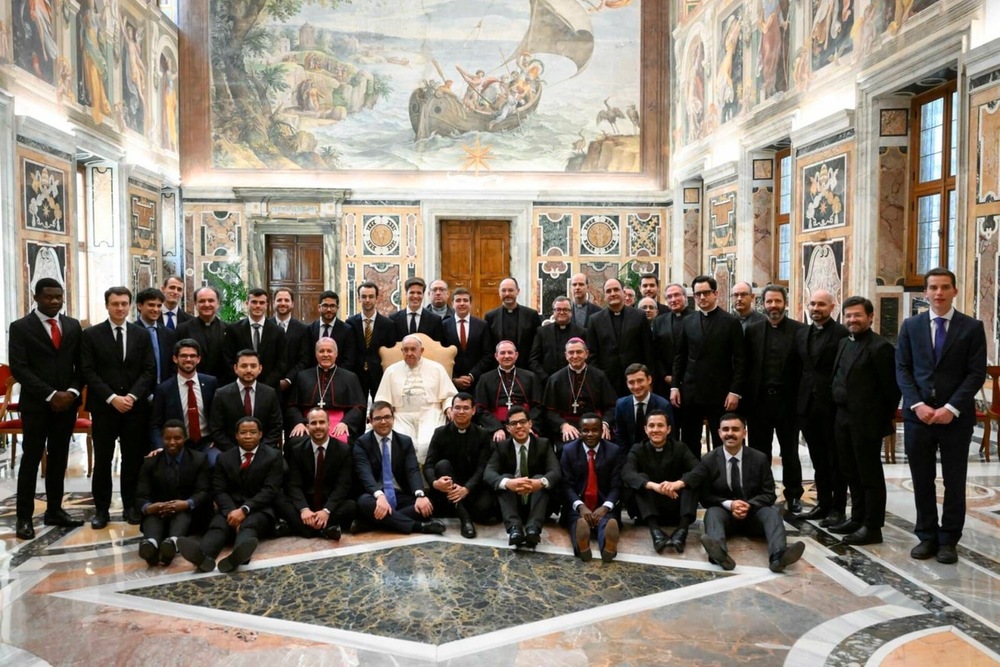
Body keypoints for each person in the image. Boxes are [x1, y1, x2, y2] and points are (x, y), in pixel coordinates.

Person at [896, 268, 986, 564]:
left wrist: (951, 408)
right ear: (925, 292)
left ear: (954, 291)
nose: (938, 293)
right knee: (922, 479)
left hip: (955, 419)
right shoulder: (911, 326)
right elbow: (903, 369)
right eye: (933, 287)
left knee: (954, 481)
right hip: (918, 417)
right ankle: (926, 536)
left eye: (945, 287)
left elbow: (975, 373)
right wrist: (916, 405)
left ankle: (949, 540)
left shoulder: (972, 327)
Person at [674, 413, 806, 572]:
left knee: (772, 514)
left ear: (744, 433)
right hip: (725, 515)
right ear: (719, 433)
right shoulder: (709, 459)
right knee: (712, 513)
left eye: (735, 429)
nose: (730, 433)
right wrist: (730, 505)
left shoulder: (759, 458)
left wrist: (747, 505)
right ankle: (720, 554)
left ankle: (778, 556)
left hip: (754, 514)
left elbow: (769, 493)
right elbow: (706, 497)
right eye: (726, 429)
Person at [9, 278, 85, 540]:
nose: (54, 301)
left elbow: (81, 365)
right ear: (36, 297)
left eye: (58, 297)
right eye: (49, 297)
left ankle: (55, 510)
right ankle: (24, 518)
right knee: (31, 460)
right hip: (36, 406)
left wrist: (72, 393)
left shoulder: (72, 326)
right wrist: (51, 394)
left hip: (66, 405)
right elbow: (19, 367)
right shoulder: (20, 327)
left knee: (59, 459)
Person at [81, 286, 156, 528]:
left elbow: (148, 370)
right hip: (105, 408)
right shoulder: (92, 335)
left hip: (134, 408)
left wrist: (132, 396)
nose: (120, 308)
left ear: (130, 305)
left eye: (124, 303)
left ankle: (130, 506)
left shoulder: (141, 334)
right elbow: (88, 371)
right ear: (107, 305)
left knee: (132, 460)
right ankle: (101, 510)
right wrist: (112, 398)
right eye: (115, 304)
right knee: (103, 460)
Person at [828, 296, 900, 545]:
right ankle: (857, 517)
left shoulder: (881, 348)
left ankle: (873, 526)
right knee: (850, 471)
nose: (852, 320)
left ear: (870, 317)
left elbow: (892, 391)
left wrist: (878, 418)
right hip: (842, 418)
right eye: (848, 315)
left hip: (866, 422)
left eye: (857, 315)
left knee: (869, 475)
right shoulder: (843, 343)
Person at [177, 417, 284, 573]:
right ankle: (202, 557)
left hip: (259, 509)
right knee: (218, 526)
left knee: (249, 525)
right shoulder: (224, 458)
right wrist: (231, 512)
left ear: (260, 434)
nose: (248, 436)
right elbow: (219, 490)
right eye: (243, 432)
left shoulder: (273, 456)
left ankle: (237, 557)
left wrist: (244, 510)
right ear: (236, 435)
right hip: (230, 508)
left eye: (253, 432)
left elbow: (270, 490)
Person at [743, 284, 806, 514]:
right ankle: (762, 493)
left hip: (787, 403)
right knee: (759, 453)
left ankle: (794, 495)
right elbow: (747, 367)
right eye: (769, 302)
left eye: (777, 301)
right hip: (759, 402)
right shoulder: (753, 331)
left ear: (785, 303)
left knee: (789, 452)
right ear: (763, 304)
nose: (773, 306)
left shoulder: (800, 330)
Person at [671, 275, 746, 457]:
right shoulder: (688, 321)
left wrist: (735, 391)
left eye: (706, 293)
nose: (702, 298)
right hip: (691, 391)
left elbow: (741, 360)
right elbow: (680, 357)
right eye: (697, 294)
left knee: (720, 439)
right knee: (689, 439)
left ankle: (720, 480)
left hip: (719, 393)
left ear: (715, 294)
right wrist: (675, 386)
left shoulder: (730, 322)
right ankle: (692, 480)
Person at [794, 288, 849, 524]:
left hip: (833, 406)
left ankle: (838, 508)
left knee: (836, 460)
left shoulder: (842, 334)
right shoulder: (802, 333)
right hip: (808, 406)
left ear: (832, 307)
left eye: (821, 305)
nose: (816, 309)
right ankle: (823, 503)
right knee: (818, 459)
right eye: (812, 304)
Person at [353, 402, 446, 535]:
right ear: (370, 421)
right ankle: (419, 527)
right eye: (378, 418)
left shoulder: (404, 441)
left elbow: (412, 470)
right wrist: (379, 496)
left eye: (387, 417)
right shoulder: (362, 443)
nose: (383, 422)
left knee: (426, 505)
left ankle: (370, 523)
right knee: (364, 503)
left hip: (399, 493)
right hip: (374, 495)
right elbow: (365, 474)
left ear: (393, 418)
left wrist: (420, 494)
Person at [135, 420, 211, 566]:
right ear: (162, 439)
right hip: (158, 511)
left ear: (185, 438)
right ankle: (151, 545)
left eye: (177, 438)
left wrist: (186, 503)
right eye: (167, 438)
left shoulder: (199, 459)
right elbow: (140, 495)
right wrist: (149, 507)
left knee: (182, 515)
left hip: (186, 511)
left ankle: (172, 544)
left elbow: (204, 491)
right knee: (152, 516)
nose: (172, 442)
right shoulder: (150, 463)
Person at [484, 406, 561, 548]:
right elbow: (489, 473)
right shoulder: (501, 447)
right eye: (513, 424)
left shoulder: (543, 444)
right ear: (507, 428)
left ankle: (533, 529)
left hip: (537, 503)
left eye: (523, 422)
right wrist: (508, 483)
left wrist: (539, 482)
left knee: (541, 478)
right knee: (505, 478)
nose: (519, 426)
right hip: (513, 504)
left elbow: (555, 471)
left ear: (530, 424)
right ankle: (514, 529)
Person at [622, 410, 699, 553]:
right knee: (641, 479)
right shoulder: (637, 449)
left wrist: (678, 483)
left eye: (660, 426)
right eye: (651, 426)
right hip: (648, 509)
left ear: (668, 429)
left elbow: (699, 470)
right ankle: (655, 532)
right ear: (645, 429)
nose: (655, 430)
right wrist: (654, 486)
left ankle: (682, 532)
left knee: (691, 480)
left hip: (675, 505)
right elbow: (627, 473)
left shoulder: (680, 448)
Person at [374, 335, 457, 463]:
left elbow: (449, 395)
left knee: (427, 443)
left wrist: (448, 408)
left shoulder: (437, 368)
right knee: (403, 443)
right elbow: (382, 400)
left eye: (413, 349)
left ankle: (428, 479)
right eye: (405, 350)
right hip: (401, 415)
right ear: (402, 351)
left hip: (431, 413)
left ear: (421, 351)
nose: (409, 353)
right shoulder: (391, 371)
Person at [423, 393, 496, 538]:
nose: (461, 412)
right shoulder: (440, 433)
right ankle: (465, 519)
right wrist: (435, 483)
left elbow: (482, 467)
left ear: (473, 411)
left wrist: (466, 488)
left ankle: (457, 507)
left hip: (471, 488)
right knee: (442, 465)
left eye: (465, 408)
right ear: (451, 410)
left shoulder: (482, 434)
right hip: (446, 486)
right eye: (457, 408)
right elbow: (429, 465)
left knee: (485, 510)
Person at [280, 408, 358, 540]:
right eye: (314, 423)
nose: (318, 427)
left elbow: (343, 485)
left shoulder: (343, 450)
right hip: (306, 503)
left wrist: (326, 511)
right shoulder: (297, 450)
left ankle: (304, 529)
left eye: (322, 422)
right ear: (307, 426)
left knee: (351, 506)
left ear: (329, 425)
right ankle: (325, 529)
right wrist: (304, 509)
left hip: (329, 504)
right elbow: (294, 484)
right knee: (280, 501)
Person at [561, 413, 624, 562]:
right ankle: (582, 547)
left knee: (606, 522)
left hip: (603, 505)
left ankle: (608, 548)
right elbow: (566, 485)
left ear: (602, 431)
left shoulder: (613, 451)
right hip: (578, 506)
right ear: (580, 431)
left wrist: (606, 507)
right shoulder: (569, 450)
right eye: (585, 430)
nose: (590, 434)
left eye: (595, 430)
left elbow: (617, 486)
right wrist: (580, 506)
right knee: (577, 523)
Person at [150, 339, 219, 465]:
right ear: (175, 359)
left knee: (215, 462)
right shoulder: (164, 389)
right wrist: (159, 446)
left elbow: (219, 416)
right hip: (177, 444)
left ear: (198, 359)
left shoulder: (211, 383)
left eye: (192, 356)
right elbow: (156, 423)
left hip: (207, 443)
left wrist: (217, 440)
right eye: (183, 356)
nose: (188, 359)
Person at [284, 337, 366, 441]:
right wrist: (299, 422)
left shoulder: (350, 377)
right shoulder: (302, 376)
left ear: (336, 354)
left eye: (329, 351)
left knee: (341, 441)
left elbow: (358, 406)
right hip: (308, 422)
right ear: (316, 354)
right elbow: (292, 405)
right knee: (297, 441)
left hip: (337, 422)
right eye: (321, 351)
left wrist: (345, 423)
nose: (325, 355)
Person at [586, 278, 655, 396]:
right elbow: (592, 354)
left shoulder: (639, 316)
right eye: (608, 291)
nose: (612, 294)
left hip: (636, 380)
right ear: (604, 295)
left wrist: (649, 379)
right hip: (607, 380)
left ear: (623, 293)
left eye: (616, 290)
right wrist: (598, 378)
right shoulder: (595, 320)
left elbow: (648, 351)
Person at [542, 338, 617, 444]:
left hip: (595, 424)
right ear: (566, 355)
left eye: (579, 352)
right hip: (569, 426)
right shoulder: (555, 379)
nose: (575, 356)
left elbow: (611, 406)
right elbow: (549, 411)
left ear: (586, 354)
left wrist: (605, 423)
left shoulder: (599, 376)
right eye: (571, 352)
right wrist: (563, 426)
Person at [209, 349, 283, 452]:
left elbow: (276, 426)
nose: (248, 370)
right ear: (235, 368)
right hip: (230, 450)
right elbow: (216, 429)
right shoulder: (221, 394)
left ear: (260, 369)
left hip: (264, 450)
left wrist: (259, 451)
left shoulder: (270, 393)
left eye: (253, 366)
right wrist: (236, 453)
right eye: (244, 366)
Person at [475, 340, 543, 441]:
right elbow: (480, 409)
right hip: (497, 425)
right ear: (496, 356)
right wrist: (496, 428)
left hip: (524, 424)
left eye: (510, 352)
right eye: (502, 353)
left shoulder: (530, 377)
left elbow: (538, 407)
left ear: (516, 355)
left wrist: (529, 426)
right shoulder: (485, 379)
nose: (506, 356)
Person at [225, 288, 287, 391]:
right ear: (247, 303)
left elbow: (282, 363)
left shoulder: (278, 331)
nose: (258, 306)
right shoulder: (234, 330)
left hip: (270, 389)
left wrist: (264, 385)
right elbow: (228, 359)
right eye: (254, 302)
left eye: (262, 303)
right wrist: (244, 381)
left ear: (267, 305)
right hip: (240, 387)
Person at [346, 281, 397, 400]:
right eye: (364, 296)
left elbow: (390, 352)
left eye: (371, 296)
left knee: (380, 407)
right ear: (359, 298)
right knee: (358, 408)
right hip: (356, 374)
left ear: (377, 298)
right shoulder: (350, 323)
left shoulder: (388, 324)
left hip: (379, 374)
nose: (367, 300)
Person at [441, 288, 493, 391]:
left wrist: (471, 376)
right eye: (458, 300)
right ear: (452, 304)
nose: (462, 303)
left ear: (470, 304)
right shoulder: (443, 325)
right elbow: (442, 355)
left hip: (477, 381)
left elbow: (488, 354)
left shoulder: (482, 325)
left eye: (465, 300)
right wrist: (454, 378)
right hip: (451, 383)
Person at [614, 363, 673, 454]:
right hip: (630, 455)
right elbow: (621, 437)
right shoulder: (621, 405)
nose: (636, 386)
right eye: (631, 382)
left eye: (640, 380)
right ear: (627, 384)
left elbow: (670, 438)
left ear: (649, 379)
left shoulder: (663, 405)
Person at [485, 278, 542, 369]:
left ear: (518, 291)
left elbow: (537, 345)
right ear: (499, 292)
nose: (507, 294)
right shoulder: (490, 316)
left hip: (526, 368)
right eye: (504, 290)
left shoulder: (531, 315)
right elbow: (487, 346)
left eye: (511, 290)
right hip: (497, 369)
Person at [176, 286, 230, 382]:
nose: (206, 304)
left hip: (222, 386)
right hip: (191, 384)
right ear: (195, 304)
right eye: (202, 301)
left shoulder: (228, 329)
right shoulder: (183, 329)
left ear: (218, 304)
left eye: (211, 300)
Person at [529, 296, 585, 386]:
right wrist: (546, 378)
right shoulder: (542, 332)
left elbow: (586, 358)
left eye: (565, 310)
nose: (561, 312)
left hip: (575, 382)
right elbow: (533, 360)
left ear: (571, 312)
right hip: (547, 383)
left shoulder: (581, 332)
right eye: (558, 309)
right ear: (553, 312)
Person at [651, 283, 692, 396]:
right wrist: (665, 375)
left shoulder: (696, 318)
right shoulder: (659, 321)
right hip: (665, 381)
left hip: (691, 380)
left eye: (676, 295)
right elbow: (655, 352)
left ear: (685, 297)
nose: (673, 299)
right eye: (669, 297)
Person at [268, 288, 311, 391]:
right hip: (268, 385)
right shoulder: (266, 326)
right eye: (279, 300)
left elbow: (304, 360)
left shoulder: (303, 329)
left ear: (292, 303)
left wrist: (288, 379)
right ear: (273, 303)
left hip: (294, 385)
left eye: (286, 300)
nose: (283, 303)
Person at [136, 287, 177, 386]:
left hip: (165, 390)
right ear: (139, 306)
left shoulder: (169, 333)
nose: (156, 309)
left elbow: (173, 364)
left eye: (159, 306)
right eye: (151, 305)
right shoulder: (131, 332)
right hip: (138, 394)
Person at [308, 291, 357, 373]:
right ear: (319, 307)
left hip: (339, 377)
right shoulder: (310, 329)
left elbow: (349, 359)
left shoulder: (347, 330)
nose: (329, 309)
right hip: (314, 377)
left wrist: (336, 375)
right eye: (325, 306)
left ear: (337, 308)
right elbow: (308, 357)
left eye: (332, 306)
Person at [390, 278, 445, 343]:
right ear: (406, 294)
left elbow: (437, 347)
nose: (415, 296)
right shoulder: (393, 319)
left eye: (419, 293)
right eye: (412, 292)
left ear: (423, 295)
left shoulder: (435, 320)